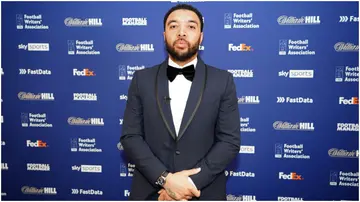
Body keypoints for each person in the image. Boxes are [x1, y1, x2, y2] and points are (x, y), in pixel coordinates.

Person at [120, 3, 240, 201]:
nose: (182, 32)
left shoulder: (223, 80)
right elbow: (130, 137)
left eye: (191, 27)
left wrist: (188, 185)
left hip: (203, 192)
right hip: (152, 193)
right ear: (164, 34)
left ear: (201, 37)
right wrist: (165, 180)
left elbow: (229, 141)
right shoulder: (141, 79)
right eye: (173, 26)